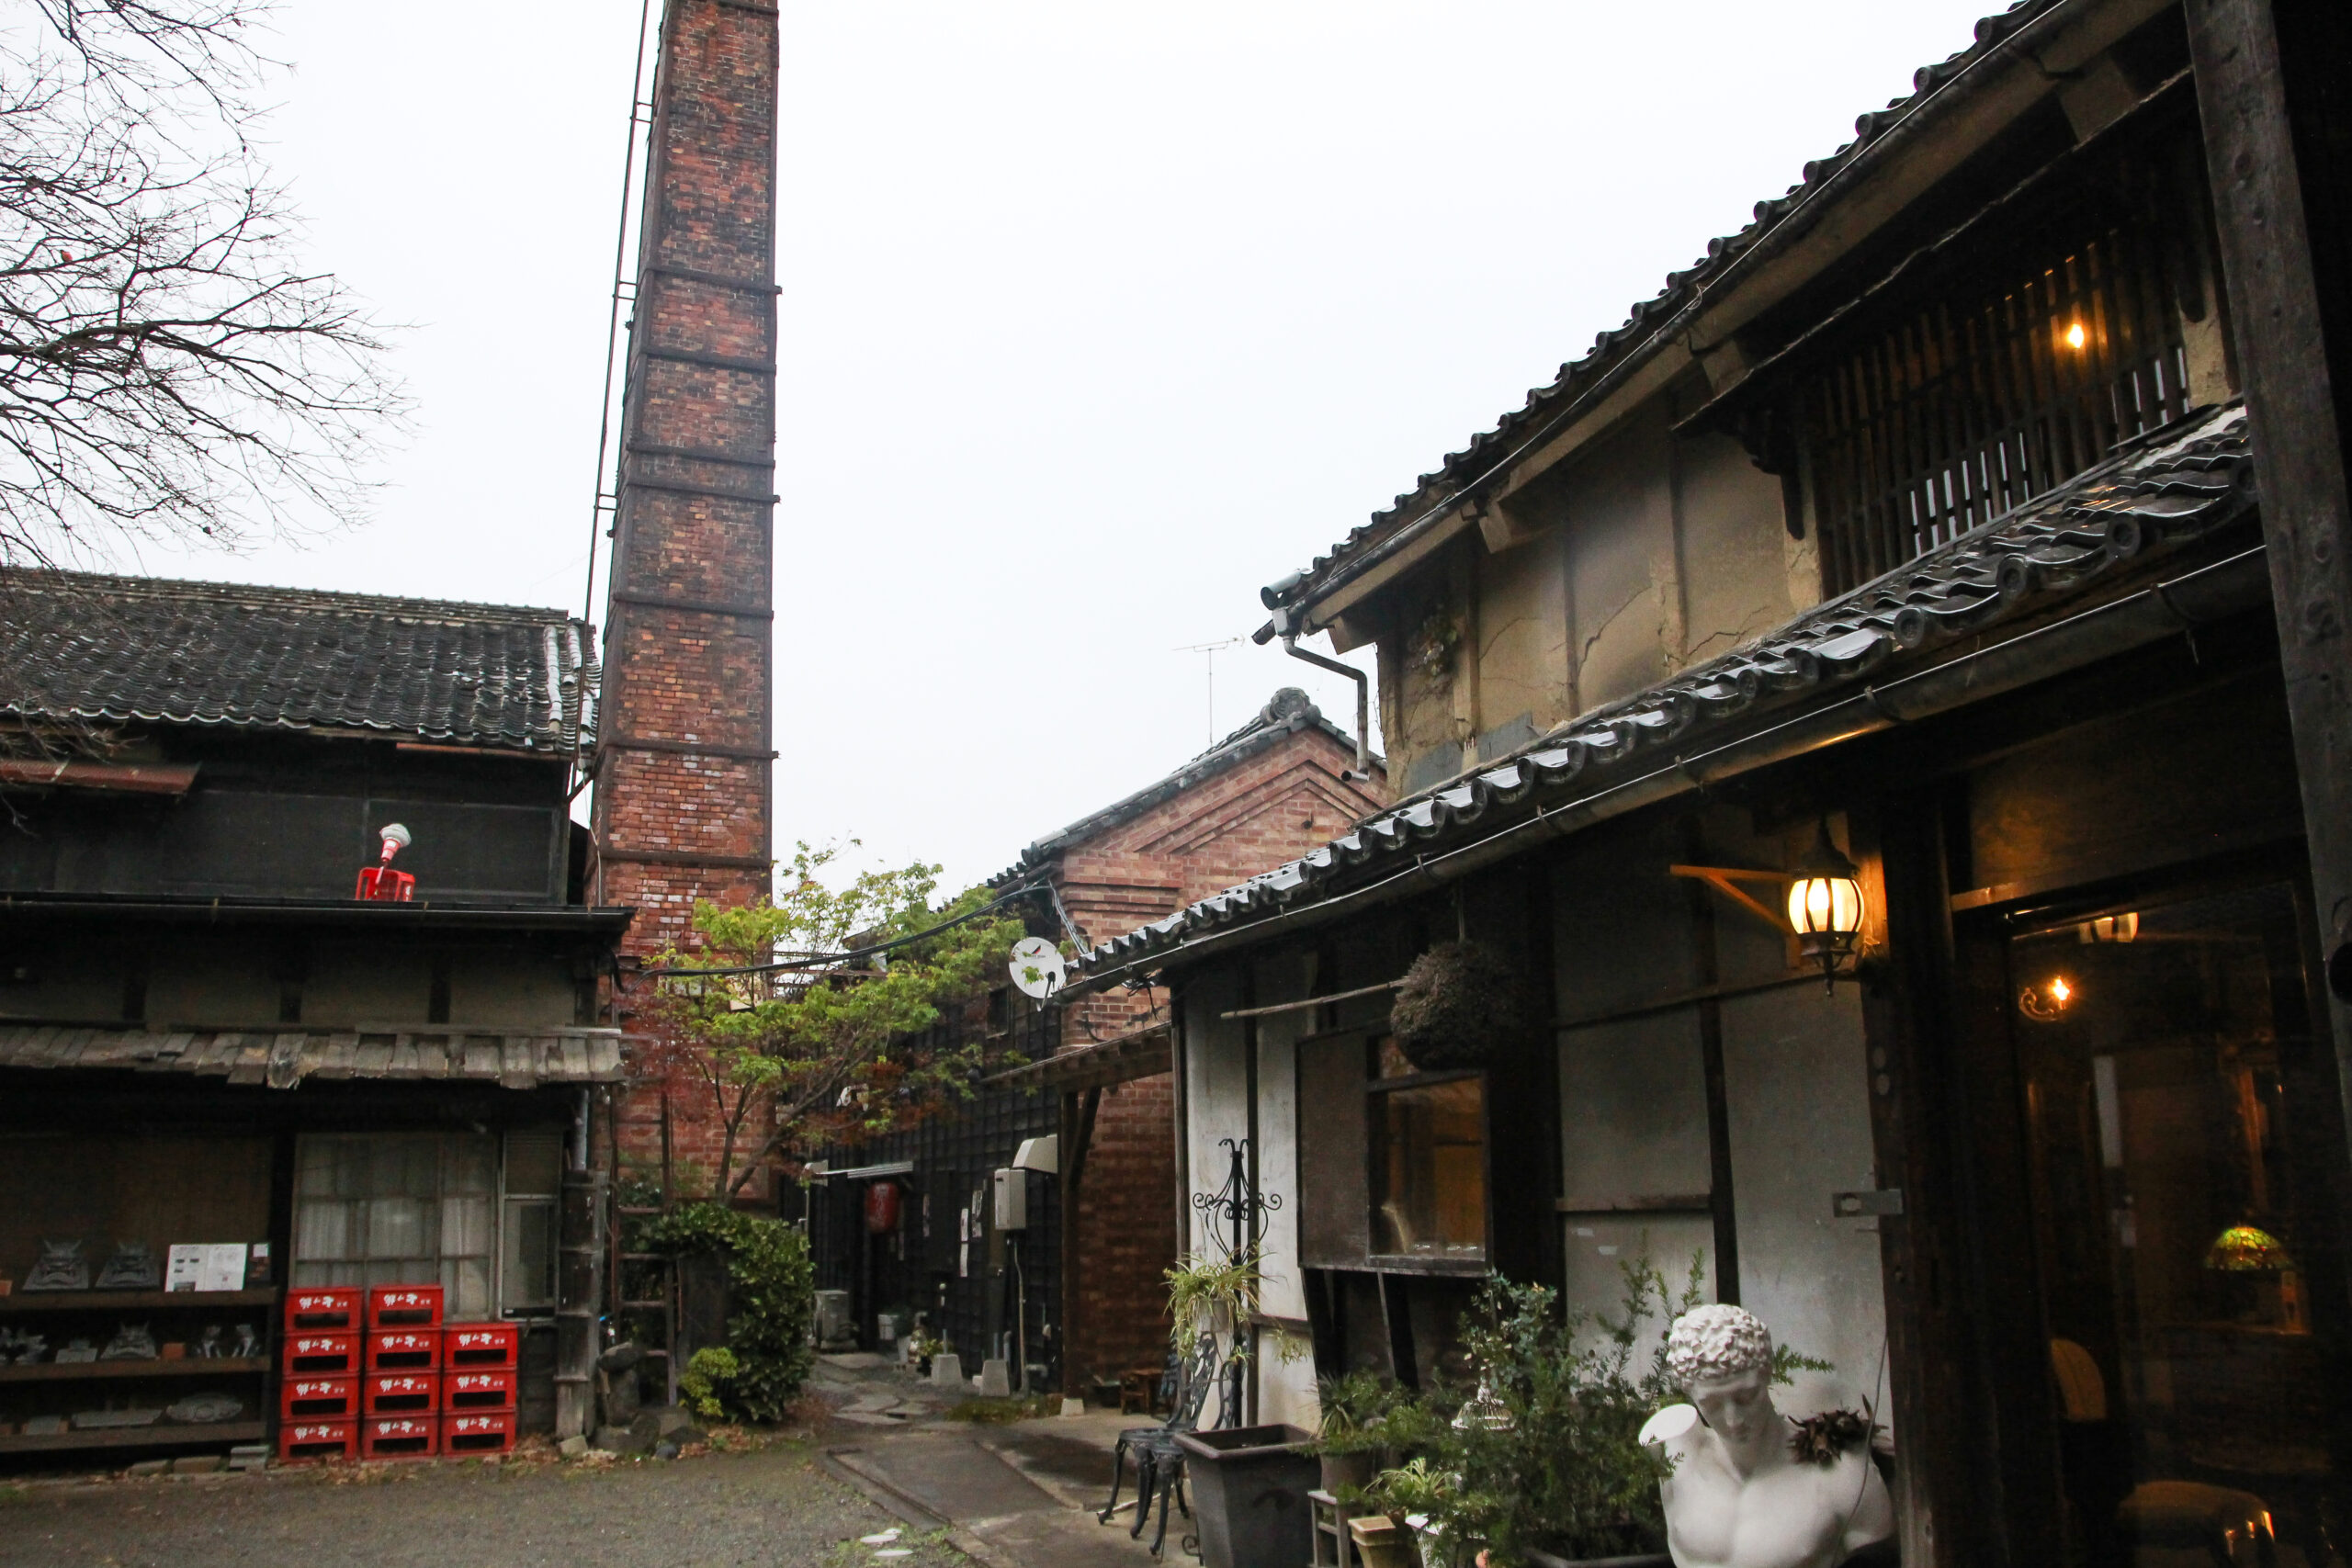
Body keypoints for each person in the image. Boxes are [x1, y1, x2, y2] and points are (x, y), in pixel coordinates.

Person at [1638, 1304, 1894, 1568]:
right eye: (1711, 1404)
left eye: (1746, 1397)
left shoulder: (1841, 1471)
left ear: (1767, 1374)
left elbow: (1882, 1558)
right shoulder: (1676, 1452)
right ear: (1689, 1393)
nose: (1732, 1419)